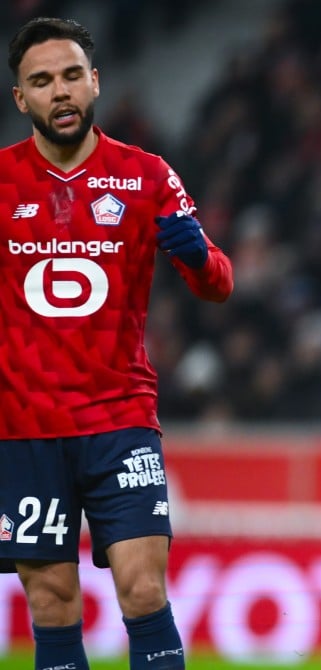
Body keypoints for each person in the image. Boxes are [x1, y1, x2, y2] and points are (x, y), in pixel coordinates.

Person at [0, 17, 233, 670]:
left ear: (95, 81)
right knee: (51, 602)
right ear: (21, 98)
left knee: (143, 589)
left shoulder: (145, 175)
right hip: (23, 426)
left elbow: (218, 283)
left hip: (119, 418)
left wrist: (197, 255)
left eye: (72, 75)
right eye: (42, 81)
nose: (61, 91)